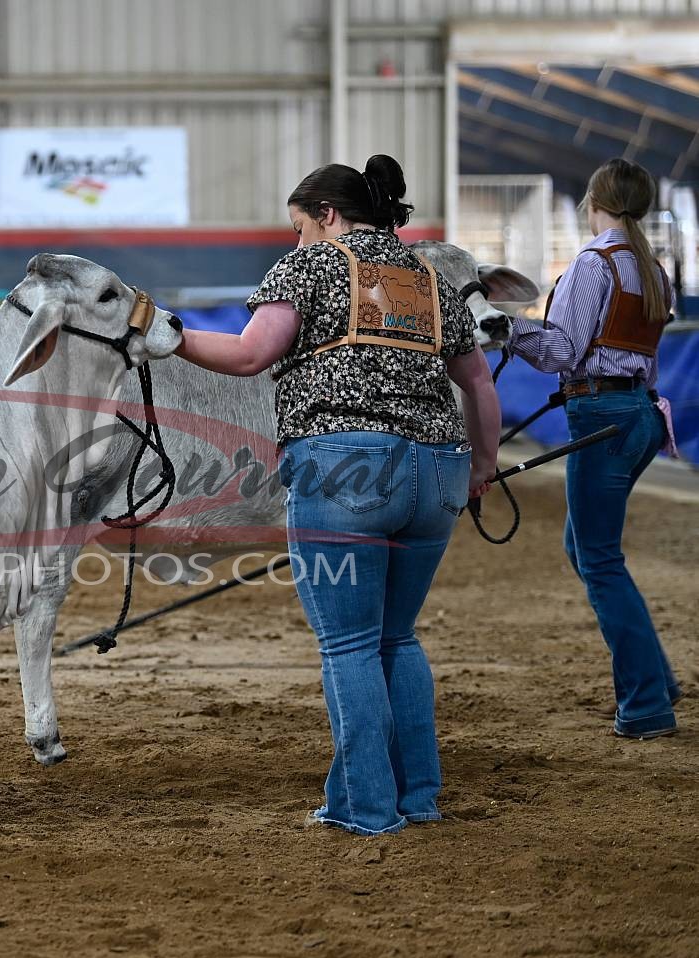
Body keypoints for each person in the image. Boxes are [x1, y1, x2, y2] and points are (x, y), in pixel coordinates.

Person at [173, 155, 501, 836]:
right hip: (434, 473)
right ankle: (418, 796)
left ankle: (367, 808)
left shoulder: (311, 266)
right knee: (397, 638)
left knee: (349, 645)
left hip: (345, 467)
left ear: (328, 215)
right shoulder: (428, 277)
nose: (296, 242)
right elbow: (479, 384)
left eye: (300, 227)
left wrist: (165, 334)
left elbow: (248, 354)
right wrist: (482, 468)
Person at [506, 158, 682, 739]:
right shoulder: (652, 267)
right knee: (586, 549)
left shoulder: (592, 263)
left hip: (602, 414)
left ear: (593, 202)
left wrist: (502, 326)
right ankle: (656, 676)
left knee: (600, 561)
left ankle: (647, 703)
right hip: (641, 414)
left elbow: (560, 350)